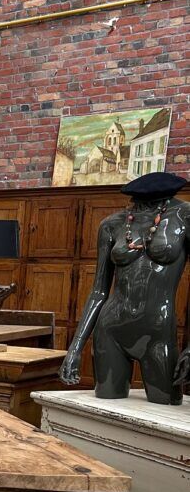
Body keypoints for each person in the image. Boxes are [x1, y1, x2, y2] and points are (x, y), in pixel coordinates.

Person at [59, 171, 189, 405]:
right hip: (111, 329)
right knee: (105, 410)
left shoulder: (184, 215)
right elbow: (99, 290)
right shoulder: (111, 224)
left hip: (158, 332)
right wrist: (75, 347)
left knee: (166, 409)